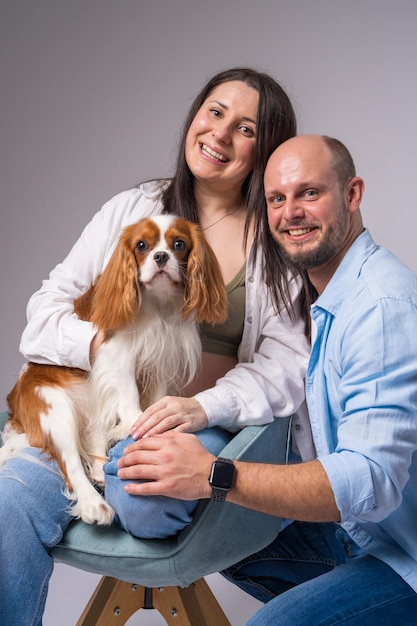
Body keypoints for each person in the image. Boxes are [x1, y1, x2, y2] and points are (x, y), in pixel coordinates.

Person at [0, 69, 310, 625]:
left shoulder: (275, 236)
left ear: (264, 148)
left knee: (145, 498)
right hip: (95, 412)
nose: (221, 134)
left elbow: (288, 366)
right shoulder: (131, 209)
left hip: (196, 425)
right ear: (195, 115)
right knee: (8, 504)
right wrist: (104, 347)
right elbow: (42, 317)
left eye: (245, 127)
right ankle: (94, 470)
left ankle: (115, 475)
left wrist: (201, 407)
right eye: (214, 112)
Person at [115, 135, 417, 626]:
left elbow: (370, 482)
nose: (291, 212)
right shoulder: (328, 299)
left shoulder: (381, 309)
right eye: (277, 198)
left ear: (352, 194)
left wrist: (214, 474)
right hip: (360, 533)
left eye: (309, 193)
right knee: (212, 532)